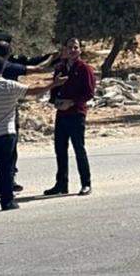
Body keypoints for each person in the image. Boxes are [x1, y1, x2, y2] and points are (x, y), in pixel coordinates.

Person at [0, 56, 65, 213]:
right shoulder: (9, 85)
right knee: (7, 169)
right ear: (2, 70)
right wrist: (53, 84)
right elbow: (33, 91)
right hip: (7, 133)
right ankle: (7, 201)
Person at [0, 38, 50, 192]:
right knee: (10, 149)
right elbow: (35, 69)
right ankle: (7, 183)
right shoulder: (9, 67)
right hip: (9, 110)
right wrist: (53, 60)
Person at [45, 38, 95, 197]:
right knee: (60, 149)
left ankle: (86, 183)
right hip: (61, 115)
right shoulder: (60, 68)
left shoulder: (84, 68)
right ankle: (61, 184)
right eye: (70, 47)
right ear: (64, 49)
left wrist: (72, 102)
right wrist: (57, 102)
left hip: (77, 114)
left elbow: (89, 93)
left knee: (79, 149)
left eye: (76, 47)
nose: (72, 50)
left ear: (80, 50)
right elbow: (54, 91)